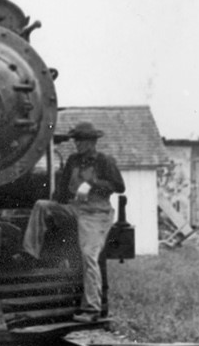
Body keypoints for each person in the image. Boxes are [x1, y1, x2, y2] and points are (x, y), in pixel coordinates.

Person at [21, 121, 125, 322]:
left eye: (81, 141)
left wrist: (92, 184)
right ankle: (30, 253)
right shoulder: (73, 160)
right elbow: (62, 191)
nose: (78, 144)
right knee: (42, 206)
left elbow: (119, 186)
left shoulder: (105, 161)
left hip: (96, 213)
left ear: (92, 142)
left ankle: (92, 308)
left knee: (89, 256)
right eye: (76, 140)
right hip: (74, 208)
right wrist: (56, 204)